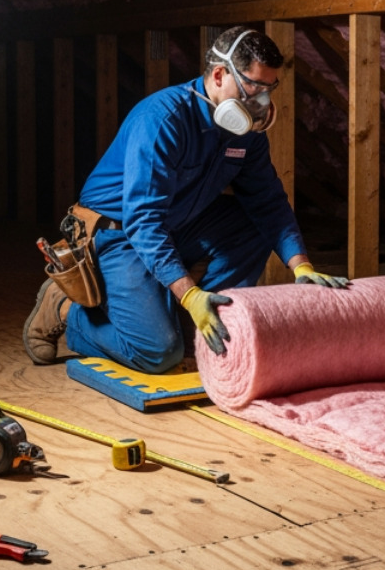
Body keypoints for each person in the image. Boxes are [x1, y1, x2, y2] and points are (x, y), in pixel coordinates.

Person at [22, 26, 349, 373]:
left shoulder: (246, 133)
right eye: (253, 86)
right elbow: (143, 221)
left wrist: (302, 266)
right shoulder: (163, 120)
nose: (262, 101)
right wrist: (188, 293)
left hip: (177, 222)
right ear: (220, 75)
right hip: (117, 234)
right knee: (159, 352)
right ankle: (65, 310)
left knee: (253, 224)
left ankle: (199, 316)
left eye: (269, 88)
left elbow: (267, 200)